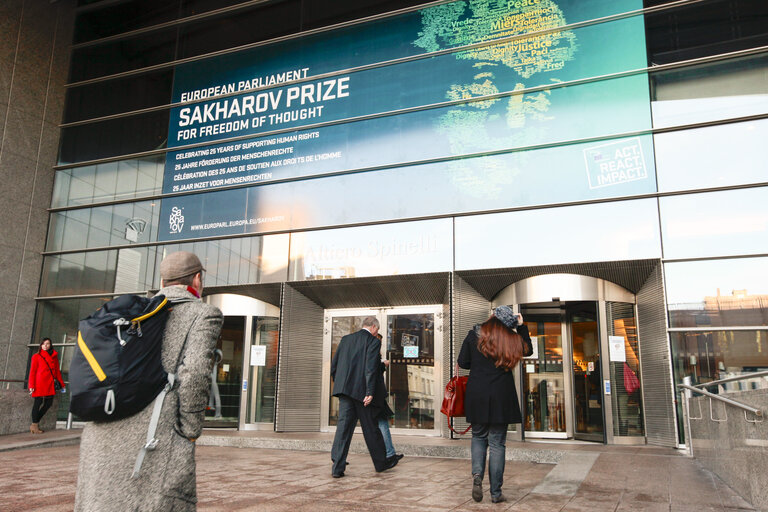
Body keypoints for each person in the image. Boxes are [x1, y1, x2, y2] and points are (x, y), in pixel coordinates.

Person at [75, 251, 223, 512]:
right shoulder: (203, 314)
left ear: (163, 281)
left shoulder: (132, 312)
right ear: (197, 279)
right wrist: (189, 430)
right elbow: (196, 373)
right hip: (155, 435)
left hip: (102, 432)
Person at [458, 306, 532, 504]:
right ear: (510, 323)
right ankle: (496, 493)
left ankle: (477, 476)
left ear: (492, 317)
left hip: (478, 395)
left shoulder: (474, 334)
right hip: (502, 396)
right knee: (497, 444)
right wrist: (522, 326)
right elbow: (529, 350)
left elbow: (463, 362)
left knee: (478, 437)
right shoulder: (512, 339)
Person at [330, 317, 399, 478]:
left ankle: (337, 467)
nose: (377, 333)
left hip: (345, 391)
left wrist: (339, 384)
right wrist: (369, 392)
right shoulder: (373, 342)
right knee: (371, 428)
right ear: (374, 327)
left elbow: (335, 365)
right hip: (361, 393)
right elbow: (370, 368)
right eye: (377, 330)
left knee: (343, 429)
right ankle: (381, 463)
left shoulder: (346, 339)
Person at [372, 333, 403, 462]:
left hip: (371, 394)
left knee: (379, 423)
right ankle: (389, 453)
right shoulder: (372, 352)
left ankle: (339, 456)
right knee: (382, 423)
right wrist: (383, 366)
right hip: (374, 394)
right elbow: (373, 371)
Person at [27, 337, 65, 434]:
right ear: (41, 345)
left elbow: (57, 371)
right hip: (39, 383)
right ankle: (35, 425)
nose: (45, 345)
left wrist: (61, 383)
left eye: (47, 344)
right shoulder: (36, 356)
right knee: (37, 403)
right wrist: (31, 385)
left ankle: (34, 424)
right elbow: (32, 372)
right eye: (43, 344)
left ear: (50, 345)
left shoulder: (54, 356)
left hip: (50, 383)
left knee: (48, 404)